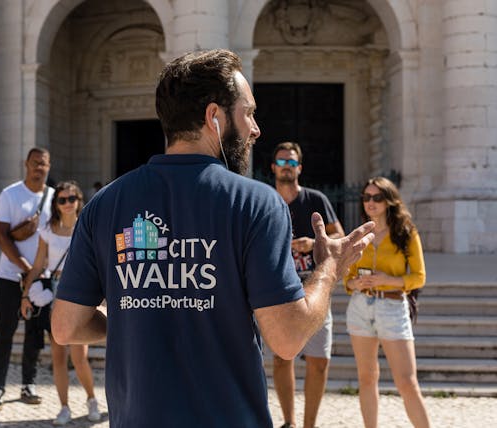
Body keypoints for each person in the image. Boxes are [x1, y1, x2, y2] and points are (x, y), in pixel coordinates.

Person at [50, 49, 375, 427]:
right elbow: (287, 337)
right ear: (214, 117)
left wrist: (130, 315)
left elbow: (66, 327)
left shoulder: (105, 203)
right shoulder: (255, 203)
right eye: (249, 113)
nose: (256, 129)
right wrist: (329, 269)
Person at [343, 177, 430, 428]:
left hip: (392, 308)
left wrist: (388, 280)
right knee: (367, 378)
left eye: (377, 197)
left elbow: (419, 277)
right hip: (360, 307)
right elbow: (346, 278)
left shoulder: (406, 233)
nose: (370, 202)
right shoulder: (359, 233)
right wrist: (354, 285)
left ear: (389, 201)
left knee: (406, 382)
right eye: (366, 197)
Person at [270, 141, 345, 428]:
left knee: (319, 361)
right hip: (278, 290)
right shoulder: (266, 199)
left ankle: (309, 425)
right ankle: (289, 422)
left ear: (299, 168)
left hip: (315, 288)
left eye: (291, 163)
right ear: (273, 167)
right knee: (281, 357)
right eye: (282, 162)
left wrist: (314, 242)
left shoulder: (316, 200)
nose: (286, 167)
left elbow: (340, 236)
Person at [22, 181, 101, 425]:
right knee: (57, 356)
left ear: (79, 201)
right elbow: (37, 266)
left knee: (79, 356)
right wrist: (26, 295)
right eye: (61, 200)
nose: (67, 204)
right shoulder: (47, 230)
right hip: (55, 294)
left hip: (81, 295)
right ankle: (64, 407)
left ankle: (91, 399)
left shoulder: (87, 227)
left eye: (71, 199)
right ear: (55, 204)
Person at [0, 147, 55, 411]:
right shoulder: (10, 194)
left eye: (44, 164)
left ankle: (29, 384)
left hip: (41, 279)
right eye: (35, 163)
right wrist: (26, 267)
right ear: (25, 164)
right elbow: (1, 236)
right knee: (4, 332)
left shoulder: (53, 198)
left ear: (49, 166)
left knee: (35, 334)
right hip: (10, 276)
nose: (39, 168)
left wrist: (40, 271)